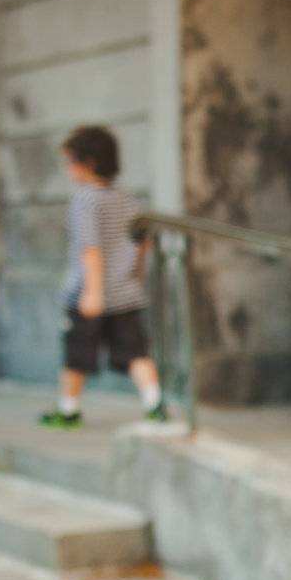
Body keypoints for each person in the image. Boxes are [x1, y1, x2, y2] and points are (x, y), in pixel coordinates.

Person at [38, 125, 166, 428]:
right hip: (126, 292)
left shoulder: (85, 200)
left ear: (89, 163)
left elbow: (90, 247)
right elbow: (143, 239)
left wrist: (93, 293)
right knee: (136, 353)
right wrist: (136, 273)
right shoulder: (126, 198)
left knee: (77, 355)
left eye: (70, 161)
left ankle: (68, 410)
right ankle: (155, 403)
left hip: (89, 294)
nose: (68, 169)